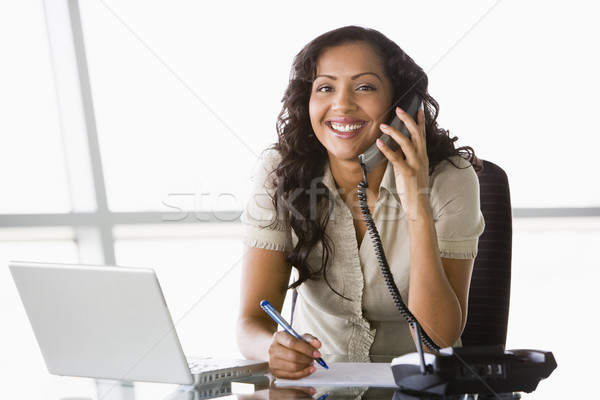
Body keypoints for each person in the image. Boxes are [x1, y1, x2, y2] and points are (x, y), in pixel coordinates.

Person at [236, 26, 484, 379]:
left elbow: (436, 341)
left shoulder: (450, 179)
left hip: (413, 389)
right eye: (325, 88)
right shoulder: (280, 172)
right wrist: (272, 349)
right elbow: (251, 322)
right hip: (316, 385)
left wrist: (416, 204)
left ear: (401, 104)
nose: (341, 104)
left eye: (364, 87)